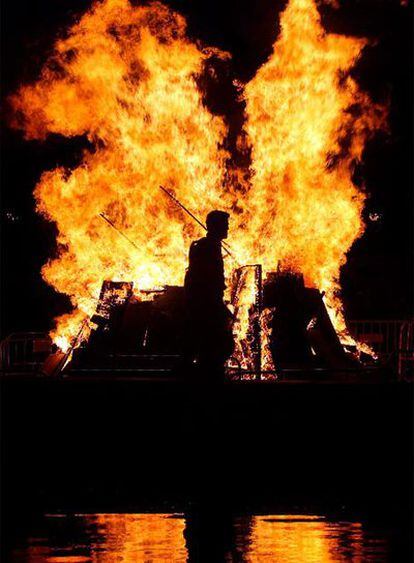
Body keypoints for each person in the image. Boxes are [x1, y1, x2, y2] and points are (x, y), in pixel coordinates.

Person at [184, 210, 234, 378]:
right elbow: (206, 281)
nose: (227, 228)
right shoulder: (207, 248)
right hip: (205, 305)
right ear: (215, 226)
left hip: (204, 303)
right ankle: (207, 378)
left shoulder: (207, 246)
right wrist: (218, 306)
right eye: (225, 225)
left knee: (208, 343)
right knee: (216, 344)